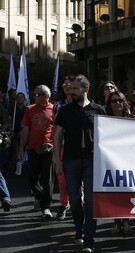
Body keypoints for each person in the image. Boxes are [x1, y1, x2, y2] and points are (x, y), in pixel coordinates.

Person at [53, 74, 106, 253]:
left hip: (92, 160)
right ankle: (79, 227)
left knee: (90, 200)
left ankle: (89, 240)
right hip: (71, 160)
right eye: (70, 88)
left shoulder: (98, 110)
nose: (71, 91)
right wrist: (56, 160)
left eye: (75, 88)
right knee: (75, 198)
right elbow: (57, 135)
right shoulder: (65, 111)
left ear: (86, 89)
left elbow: (110, 135)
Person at [18, 85, 55, 219]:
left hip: (49, 148)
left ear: (46, 96)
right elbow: (25, 130)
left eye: (37, 94)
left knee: (48, 179)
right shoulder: (30, 109)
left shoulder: (54, 109)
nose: (34, 96)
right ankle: (38, 195)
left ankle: (46, 207)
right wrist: (21, 148)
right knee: (31, 178)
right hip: (33, 148)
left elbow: (58, 130)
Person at [105, 90, 135, 235]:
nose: (117, 104)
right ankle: (117, 221)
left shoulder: (131, 120)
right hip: (110, 161)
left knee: (127, 191)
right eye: (114, 101)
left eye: (120, 100)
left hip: (128, 160)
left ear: (124, 103)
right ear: (109, 104)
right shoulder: (103, 121)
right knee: (114, 192)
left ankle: (127, 220)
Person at [52, 76, 74, 221]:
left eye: (69, 84)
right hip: (63, 146)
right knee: (62, 178)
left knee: (79, 180)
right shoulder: (58, 106)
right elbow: (55, 130)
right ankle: (64, 204)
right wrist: (55, 152)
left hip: (80, 147)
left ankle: (80, 203)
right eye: (64, 84)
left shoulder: (85, 104)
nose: (66, 86)